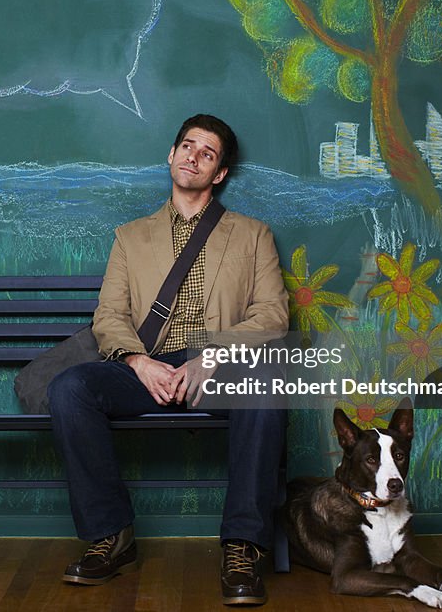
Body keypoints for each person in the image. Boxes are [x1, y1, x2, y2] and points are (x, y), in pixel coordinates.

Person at [47, 114, 290, 606]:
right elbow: (110, 315)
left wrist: (212, 357)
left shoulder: (253, 234)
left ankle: (242, 547)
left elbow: (273, 315)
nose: (193, 156)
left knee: (267, 386)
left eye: (208, 153)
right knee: (70, 388)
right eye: (187, 145)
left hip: (219, 369)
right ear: (171, 154)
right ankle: (111, 536)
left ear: (219, 172)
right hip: (148, 368)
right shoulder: (130, 237)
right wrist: (138, 362)